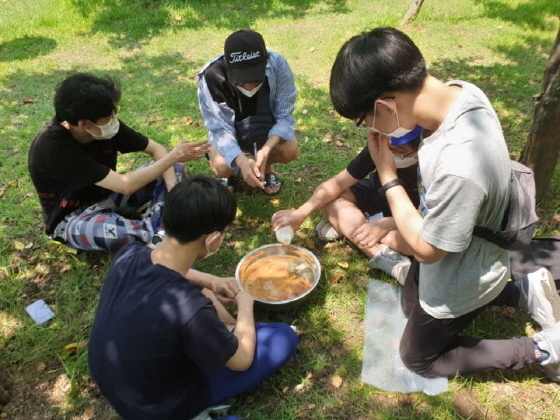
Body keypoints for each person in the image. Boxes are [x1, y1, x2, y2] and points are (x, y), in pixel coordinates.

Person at [329, 27, 560, 381]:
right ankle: (518, 291)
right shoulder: (460, 92)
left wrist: (388, 176)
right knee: (410, 305)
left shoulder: (460, 165)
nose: (369, 129)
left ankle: (544, 348)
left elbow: (427, 250)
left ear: (384, 105)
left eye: (366, 120)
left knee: (417, 358)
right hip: (466, 242)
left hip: (462, 271)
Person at [88, 175, 298, 419]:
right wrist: (245, 305)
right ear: (213, 239)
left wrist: (210, 280)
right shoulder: (189, 309)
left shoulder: (129, 253)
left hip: (120, 385)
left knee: (205, 293)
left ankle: (229, 334)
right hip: (162, 407)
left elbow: (162, 263)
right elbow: (241, 361)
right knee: (283, 336)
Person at [28, 72, 210, 252]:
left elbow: (156, 150)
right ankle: (161, 230)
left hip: (110, 196)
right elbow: (126, 185)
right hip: (73, 220)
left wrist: (173, 191)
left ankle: (160, 231)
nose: (114, 118)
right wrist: (174, 156)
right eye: (109, 116)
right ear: (84, 124)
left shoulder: (104, 126)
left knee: (173, 168)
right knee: (116, 233)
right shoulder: (54, 148)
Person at [272, 127, 422, 284]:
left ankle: (348, 226)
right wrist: (301, 212)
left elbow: (428, 217)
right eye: (389, 148)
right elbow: (336, 184)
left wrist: (386, 224)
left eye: (400, 151)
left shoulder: (433, 163)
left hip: (409, 215)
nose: (391, 154)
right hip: (375, 194)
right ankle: (379, 254)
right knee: (327, 196)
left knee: (416, 242)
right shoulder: (380, 148)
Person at [197, 29, 298, 195]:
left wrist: (266, 150)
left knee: (289, 150)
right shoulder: (212, 76)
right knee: (222, 166)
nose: (250, 87)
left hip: (265, 126)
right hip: (230, 131)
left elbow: (284, 115)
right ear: (229, 67)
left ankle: (265, 168)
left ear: (265, 62)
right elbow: (220, 129)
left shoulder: (277, 64)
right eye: (243, 81)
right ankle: (234, 172)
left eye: (255, 79)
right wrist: (241, 160)